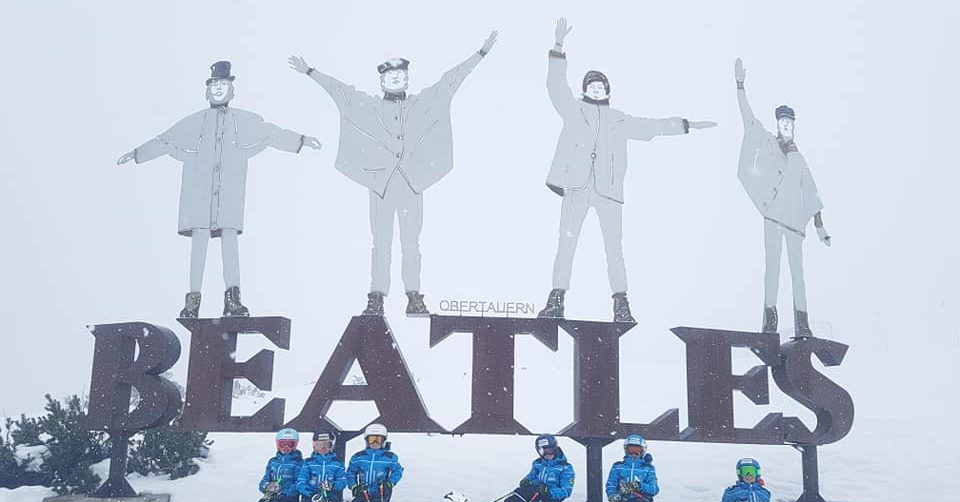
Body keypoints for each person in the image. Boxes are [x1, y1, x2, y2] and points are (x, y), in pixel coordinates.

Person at [288, 30, 498, 317]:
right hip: (381, 185)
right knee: (381, 243)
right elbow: (340, 92)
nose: (396, 79)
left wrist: (480, 54)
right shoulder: (368, 105)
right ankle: (377, 296)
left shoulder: (422, 102)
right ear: (382, 81)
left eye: (400, 75)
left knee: (411, 242)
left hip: (411, 185)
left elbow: (450, 81)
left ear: (407, 79)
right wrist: (311, 72)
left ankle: (414, 296)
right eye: (390, 76)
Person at [538, 18, 716, 323]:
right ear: (585, 90)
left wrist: (685, 125)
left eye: (601, 85)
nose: (596, 88)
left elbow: (651, 126)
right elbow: (556, 86)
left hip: (609, 192)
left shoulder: (619, 119)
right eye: (591, 85)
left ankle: (621, 304)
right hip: (577, 187)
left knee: (614, 249)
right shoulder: (573, 110)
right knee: (566, 243)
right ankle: (557, 299)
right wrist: (558, 48)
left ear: (607, 90)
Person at [118, 61, 321, 318]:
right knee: (199, 243)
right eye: (214, 84)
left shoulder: (243, 122)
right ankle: (193, 300)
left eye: (223, 84)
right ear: (207, 90)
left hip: (227, 197)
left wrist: (300, 141)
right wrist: (137, 154)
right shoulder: (194, 123)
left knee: (229, 242)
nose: (218, 89)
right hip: (199, 196)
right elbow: (165, 140)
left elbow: (270, 133)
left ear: (231, 90)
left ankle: (233, 299)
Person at [735, 57, 831, 338]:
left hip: (794, 224)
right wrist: (740, 87)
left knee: (798, 273)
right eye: (783, 122)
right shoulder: (767, 143)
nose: (786, 126)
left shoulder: (798, 158)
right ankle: (770, 318)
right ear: (778, 124)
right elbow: (748, 119)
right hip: (773, 215)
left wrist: (820, 227)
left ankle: (803, 322)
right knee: (772, 269)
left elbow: (811, 191)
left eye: (790, 122)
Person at [605, 434, 693, 502]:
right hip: (624, 499)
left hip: (641, 499)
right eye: (631, 450)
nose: (634, 454)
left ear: (643, 451)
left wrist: (639, 485)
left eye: (637, 451)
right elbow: (611, 484)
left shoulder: (648, 468)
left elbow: (654, 489)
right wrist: (613, 495)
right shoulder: (618, 466)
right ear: (626, 450)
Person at [484, 434, 575, 502]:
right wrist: (526, 481)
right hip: (537, 495)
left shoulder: (565, 468)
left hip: (551, 499)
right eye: (542, 451)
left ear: (555, 448)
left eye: (549, 450)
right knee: (520, 493)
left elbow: (566, 491)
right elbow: (532, 477)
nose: (546, 454)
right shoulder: (538, 464)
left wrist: (549, 492)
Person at [347, 424, 421, 502]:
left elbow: (398, 471)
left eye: (378, 439)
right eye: (372, 439)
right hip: (363, 492)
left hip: (381, 492)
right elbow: (350, 473)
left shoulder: (389, 457)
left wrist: (389, 483)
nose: (375, 443)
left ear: (384, 441)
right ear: (366, 440)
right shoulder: (358, 457)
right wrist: (354, 486)